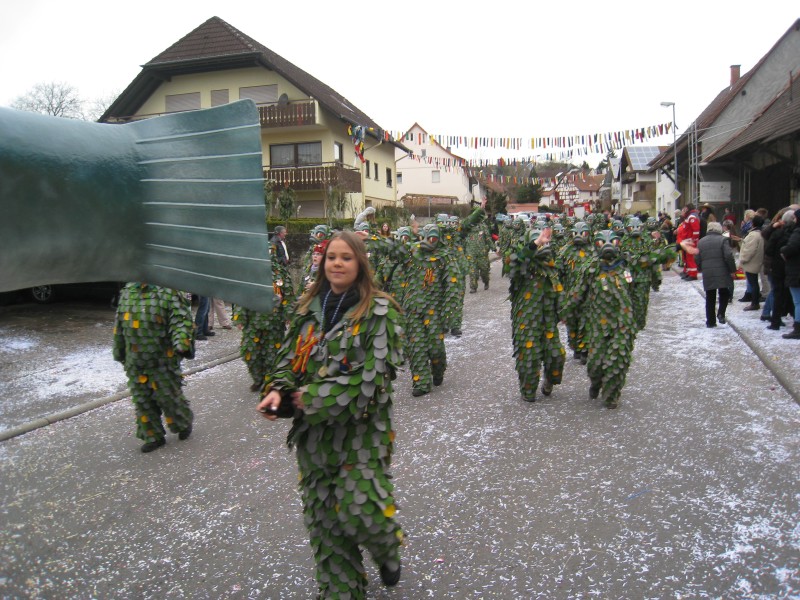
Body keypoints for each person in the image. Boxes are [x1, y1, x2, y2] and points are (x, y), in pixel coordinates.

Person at [258, 231, 405, 597]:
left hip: (362, 433)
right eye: (331, 257)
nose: (337, 263)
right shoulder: (308, 307)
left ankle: (386, 551)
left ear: (360, 264)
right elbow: (289, 358)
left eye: (346, 258)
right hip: (314, 438)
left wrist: (309, 398)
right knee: (326, 525)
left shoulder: (379, 311)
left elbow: (371, 380)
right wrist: (278, 390)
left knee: (362, 509)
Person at [112, 282, 195, 452]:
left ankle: (182, 422)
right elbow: (120, 325)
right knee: (143, 401)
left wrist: (181, 342)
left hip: (162, 361)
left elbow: (180, 321)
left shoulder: (169, 292)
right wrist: (119, 350)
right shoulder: (127, 293)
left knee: (168, 398)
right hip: (135, 362)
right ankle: (153, 436)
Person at [504, 226, 565, 402]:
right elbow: (515, 262)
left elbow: (558, 290)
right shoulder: (521, 268)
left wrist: (563, 311)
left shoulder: (550, 268)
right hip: (526, 321)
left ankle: (549, 381)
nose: (542, 247)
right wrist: (534, 244)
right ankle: (528, 391)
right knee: (529, 360)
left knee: (557, 355)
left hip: (548, 321)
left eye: (544, 244)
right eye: (539, 243)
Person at [696, 222, 736, 327]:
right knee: (724, 292)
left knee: (710, 296)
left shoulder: (701, 242)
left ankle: (710, 322)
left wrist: (700, 268)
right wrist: (732, 270)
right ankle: (721, 313)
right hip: (722, 271)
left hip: (707, 271)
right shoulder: (723, 240)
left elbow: (697, 257)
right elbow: (728, 255)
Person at [780, 209, 800, 339]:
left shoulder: (797, 233)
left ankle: (798, 328)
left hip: (796, 271)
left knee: (798, 301)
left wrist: (783, 250)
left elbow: (790, 248)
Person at [740, 215, 766, 312]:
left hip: (752, 262)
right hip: (757, 261)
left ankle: (755, 303)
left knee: (753, 283)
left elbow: (749, 250)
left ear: (753, 223)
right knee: (754, 283)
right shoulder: (761, 233)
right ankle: (755, 302)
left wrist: (743, 259)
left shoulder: (753, 235)